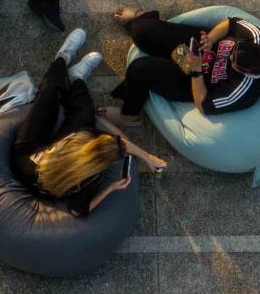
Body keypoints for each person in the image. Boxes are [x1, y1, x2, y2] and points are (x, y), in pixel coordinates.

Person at [11, 28, 167, 217]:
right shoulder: (89, 178)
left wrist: (144, 160)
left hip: (26, 153)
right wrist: (113, 186)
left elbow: (78, 210)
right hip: (56, 154)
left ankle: (65, 62)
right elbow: (79, 210)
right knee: (80, 112)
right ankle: (73, 72)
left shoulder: (82, 164)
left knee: (50, 94)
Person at [103, 8, 260, 126]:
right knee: (142, 30)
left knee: (139, 69)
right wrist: (210, 39)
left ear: (241, 71)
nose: (228, 51)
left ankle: (130, 115)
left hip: (195, 82)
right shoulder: (255, 37)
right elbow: (230, 23)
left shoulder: (241, 91)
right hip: (201, 45)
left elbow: (204, 105)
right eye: (233, 48)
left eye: (230, 58)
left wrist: (196, 72)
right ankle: (143, 17)